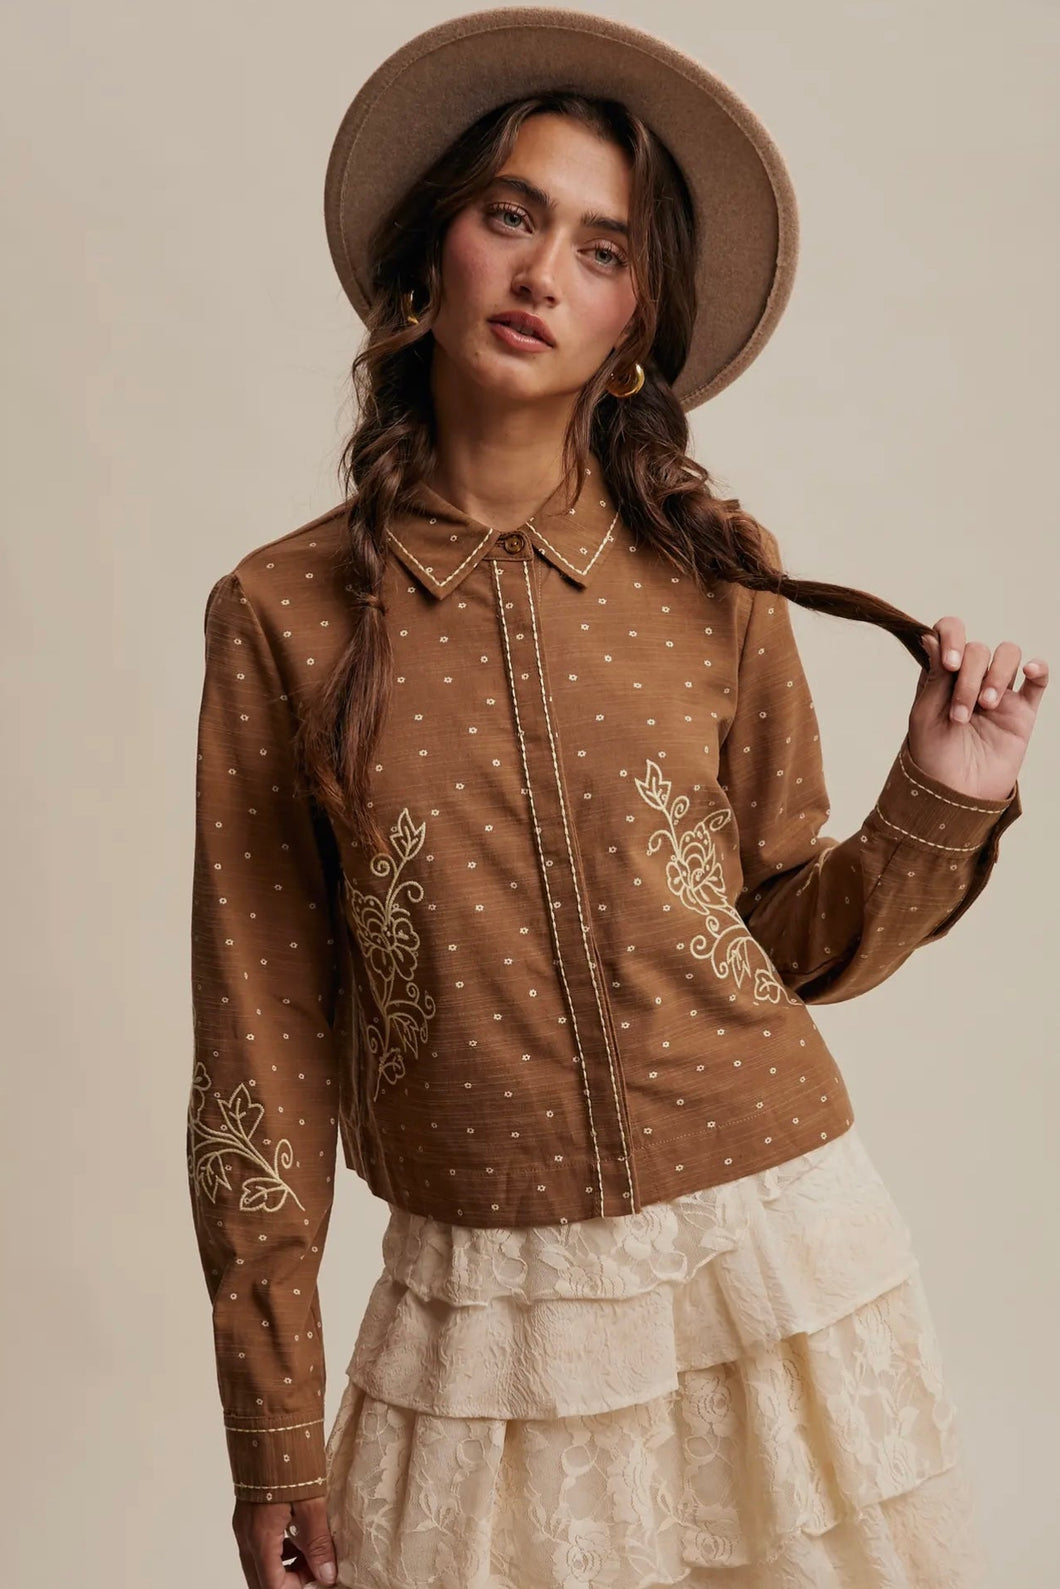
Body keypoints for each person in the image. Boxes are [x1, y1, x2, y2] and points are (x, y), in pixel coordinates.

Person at [186, 10, 1046, 1587]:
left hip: (774, 1257)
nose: (540, 274)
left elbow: (792, 942)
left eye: (600, 248)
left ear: (635, 319)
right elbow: (261, 1037)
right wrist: (275, 1424)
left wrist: (941, 793)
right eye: (511, 214)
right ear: (432, 247)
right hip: (488, 1313)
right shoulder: (282, 613)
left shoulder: (714, 568)